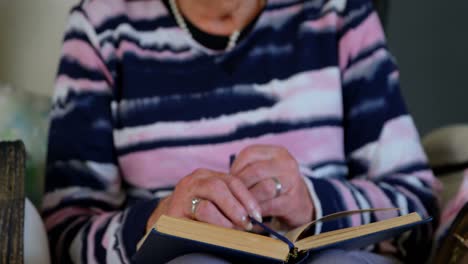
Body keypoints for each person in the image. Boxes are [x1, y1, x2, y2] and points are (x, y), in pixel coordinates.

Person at [42, 0, 441, 263]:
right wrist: (157, 221)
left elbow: (418, 211)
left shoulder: (336, 11)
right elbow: (64, 238)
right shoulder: (102, 24)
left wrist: (314, 204)